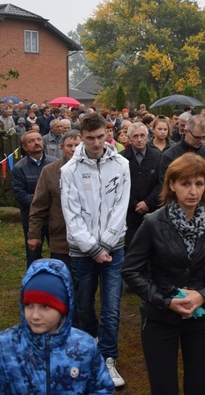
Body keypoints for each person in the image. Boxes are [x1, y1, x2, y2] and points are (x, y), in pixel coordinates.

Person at [122, 153, 205, 394]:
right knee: (164, 388)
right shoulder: (153, 223)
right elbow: (131, 270)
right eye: (186, 183)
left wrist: (202, 295)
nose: (193, 191)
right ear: (172, 185)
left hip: (201, 318)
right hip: (160, 317)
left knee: (197, 386)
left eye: (199, 183)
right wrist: (166, 301)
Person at [0, 259, 114, 394]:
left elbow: (102, 388)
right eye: (29, 305)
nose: (35, 315)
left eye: (45, 307)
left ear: (64, 308)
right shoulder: (1, 347)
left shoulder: (84, 346)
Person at [61, 112, 131, 388]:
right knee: (84, 305)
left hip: (114, 248)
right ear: (81, 136)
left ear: (108, 132)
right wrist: (92, 247)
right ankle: (89, 349)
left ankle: (108, 358)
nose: (96, 143)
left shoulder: (121, 164)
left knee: (111, 307)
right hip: (82, 250)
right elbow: (72, 213)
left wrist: (108, 242)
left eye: (101, 136)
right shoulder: (70, 171)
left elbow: (120, 206)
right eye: (90, 138)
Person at [27, 130, 81, 269]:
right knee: (62, 279)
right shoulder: (50, 171)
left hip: (88, 239)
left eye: (77, 145)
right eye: (69, 145)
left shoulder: (93, 169)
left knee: (85, 284)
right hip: (60, 238)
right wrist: (34, 234)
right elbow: (38, 205)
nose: (73, 149)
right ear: (62, 147)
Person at [12, 130, 57, 267]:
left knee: (58, 253)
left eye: (38, 139)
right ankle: (34, 284)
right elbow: (19, 194)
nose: (36, 143)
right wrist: (40, 204)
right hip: (32, 219)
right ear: (25, 147)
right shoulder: (19, 168)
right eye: (31, 141)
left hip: (54, 218)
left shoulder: (54, 164)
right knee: (33, 255)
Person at [120, 122, 163, 250]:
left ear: (147, 136)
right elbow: (120, 186)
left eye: (142, 135)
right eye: (135, 136)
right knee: (132, 248)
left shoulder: (158, 156)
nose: (139, 140)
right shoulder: (121, 158)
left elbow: (161, 183)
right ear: (129, 138)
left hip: (153, 211)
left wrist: (148, 202)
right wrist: (134, 204)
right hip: (130, 214)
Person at [159, 114, 205, 179]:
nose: (201, 141)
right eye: (197, 137)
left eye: (204, 137)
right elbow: (164, 184)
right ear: (186, 131)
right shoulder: (170, 156)